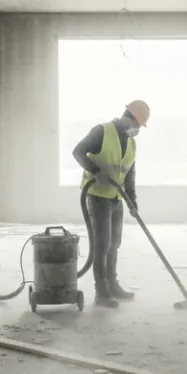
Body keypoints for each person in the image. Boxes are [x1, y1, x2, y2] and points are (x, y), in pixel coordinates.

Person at [72, 100, 149, 308]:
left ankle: (113, 285)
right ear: (128, 116)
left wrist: (133, 201)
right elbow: (78, 152)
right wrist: (96, 172)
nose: (137, 130)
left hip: (116, 198)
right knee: (102, 245)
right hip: (98, 196)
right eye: (138, 124)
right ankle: (102, 292)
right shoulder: (102, 131)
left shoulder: (131, 143)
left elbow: (129, 174)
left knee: (115, 243)